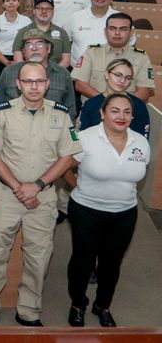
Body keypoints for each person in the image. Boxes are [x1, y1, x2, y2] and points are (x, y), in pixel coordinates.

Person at [0, 62, 82, 327]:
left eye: (39, 81)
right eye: (28, 82)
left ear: (46, 83)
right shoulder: (3, 113)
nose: (34, 87)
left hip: (43, 198)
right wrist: (20, 187)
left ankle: (29, 311)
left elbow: (67, 158)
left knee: (39, 256)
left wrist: (38, 185)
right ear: (18, 84)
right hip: (8, 194)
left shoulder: (61, 115)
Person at [65, 93, 147, 327]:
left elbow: (136, 175)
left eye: (127, 112)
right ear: (102, 113)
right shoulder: (85, 138)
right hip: (86, 210)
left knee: (112, 263)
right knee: (83, 260)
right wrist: (76, 186)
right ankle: (78, 304)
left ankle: (103, 305)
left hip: (125, 213)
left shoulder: (140, 142)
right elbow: (64, 166)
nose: (121, 116)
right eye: (115, 111)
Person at [72, 13, 155, 102]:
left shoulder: (141, 57)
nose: (117, 33)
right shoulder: (91, 52)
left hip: (127, 111)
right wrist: (107, 102)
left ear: (131, 33)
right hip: (94, 108)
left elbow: (144, 91)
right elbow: (80, 84)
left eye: (123, 29)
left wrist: (122, 105)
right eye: (112, 28)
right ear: (105, 31)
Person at [0, 28, 77, 116]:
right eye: (28, 45)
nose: (34, 48)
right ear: (23, 51)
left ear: (48, 48)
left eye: (39, 44)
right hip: (16, 126)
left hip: (51, 127)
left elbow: (70, 110)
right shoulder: (9, 72)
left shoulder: (62, 74)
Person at [79, 59, 150, 140]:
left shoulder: (138, 105)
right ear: (106, 74)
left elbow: (142, 140)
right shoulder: (90, 104)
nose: (122, 81)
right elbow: (84, 137)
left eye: (127, 78)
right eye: (118, 75)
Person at [65, 0, 118, 69]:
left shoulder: (121, 19)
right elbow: (64, 42)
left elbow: (130, 45)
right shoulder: (75, 17)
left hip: (111, 72)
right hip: (77, 73)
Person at [0, 0, 32, 87]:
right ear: (3, 4)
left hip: (20, 60)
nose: (11, 3)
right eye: (7, 0)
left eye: (14, 0)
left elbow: (29, 43)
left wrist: (18, 61)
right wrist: (6, 62)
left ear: (18, 3)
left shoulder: (26, 21)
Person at [13, 0, 72, 67]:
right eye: (40, 8)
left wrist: (53, 74)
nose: (44, 11)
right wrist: (31, 74)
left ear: (53, 12)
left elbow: (66, 60)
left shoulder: (62, 33)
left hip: (55, 75)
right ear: (34, 11)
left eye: (48, 8)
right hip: (28, 74)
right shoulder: (23, 32)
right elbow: (17, 59)